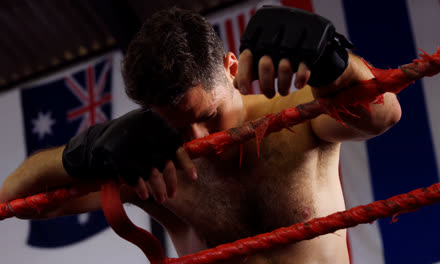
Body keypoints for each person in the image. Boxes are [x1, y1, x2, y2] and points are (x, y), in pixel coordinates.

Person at [0, 7, 401, 264]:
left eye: (209, 116)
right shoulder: (154, 168)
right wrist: (80, 150)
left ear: (231, 68)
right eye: (176, 126)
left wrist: (334, 60)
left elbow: (382, 115)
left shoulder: (292, 117)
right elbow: (17, 202)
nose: (195, 138)